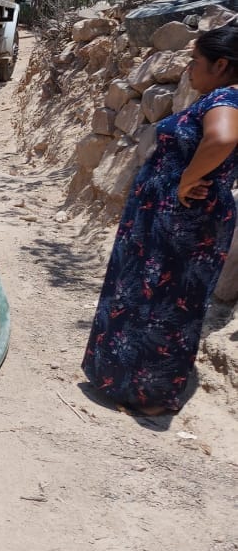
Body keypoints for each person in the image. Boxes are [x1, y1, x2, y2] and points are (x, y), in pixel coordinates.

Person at [82, 23, 238, 415]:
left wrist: (186, 180)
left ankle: (147, 395)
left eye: (196, 61)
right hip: (175, 216)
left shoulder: (225, 100)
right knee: (153, 298)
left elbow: (222, 140)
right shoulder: (222, 96)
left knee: (161, 301)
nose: (188, 69)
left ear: (221, 65)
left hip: (182, 220)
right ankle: (128, 384)